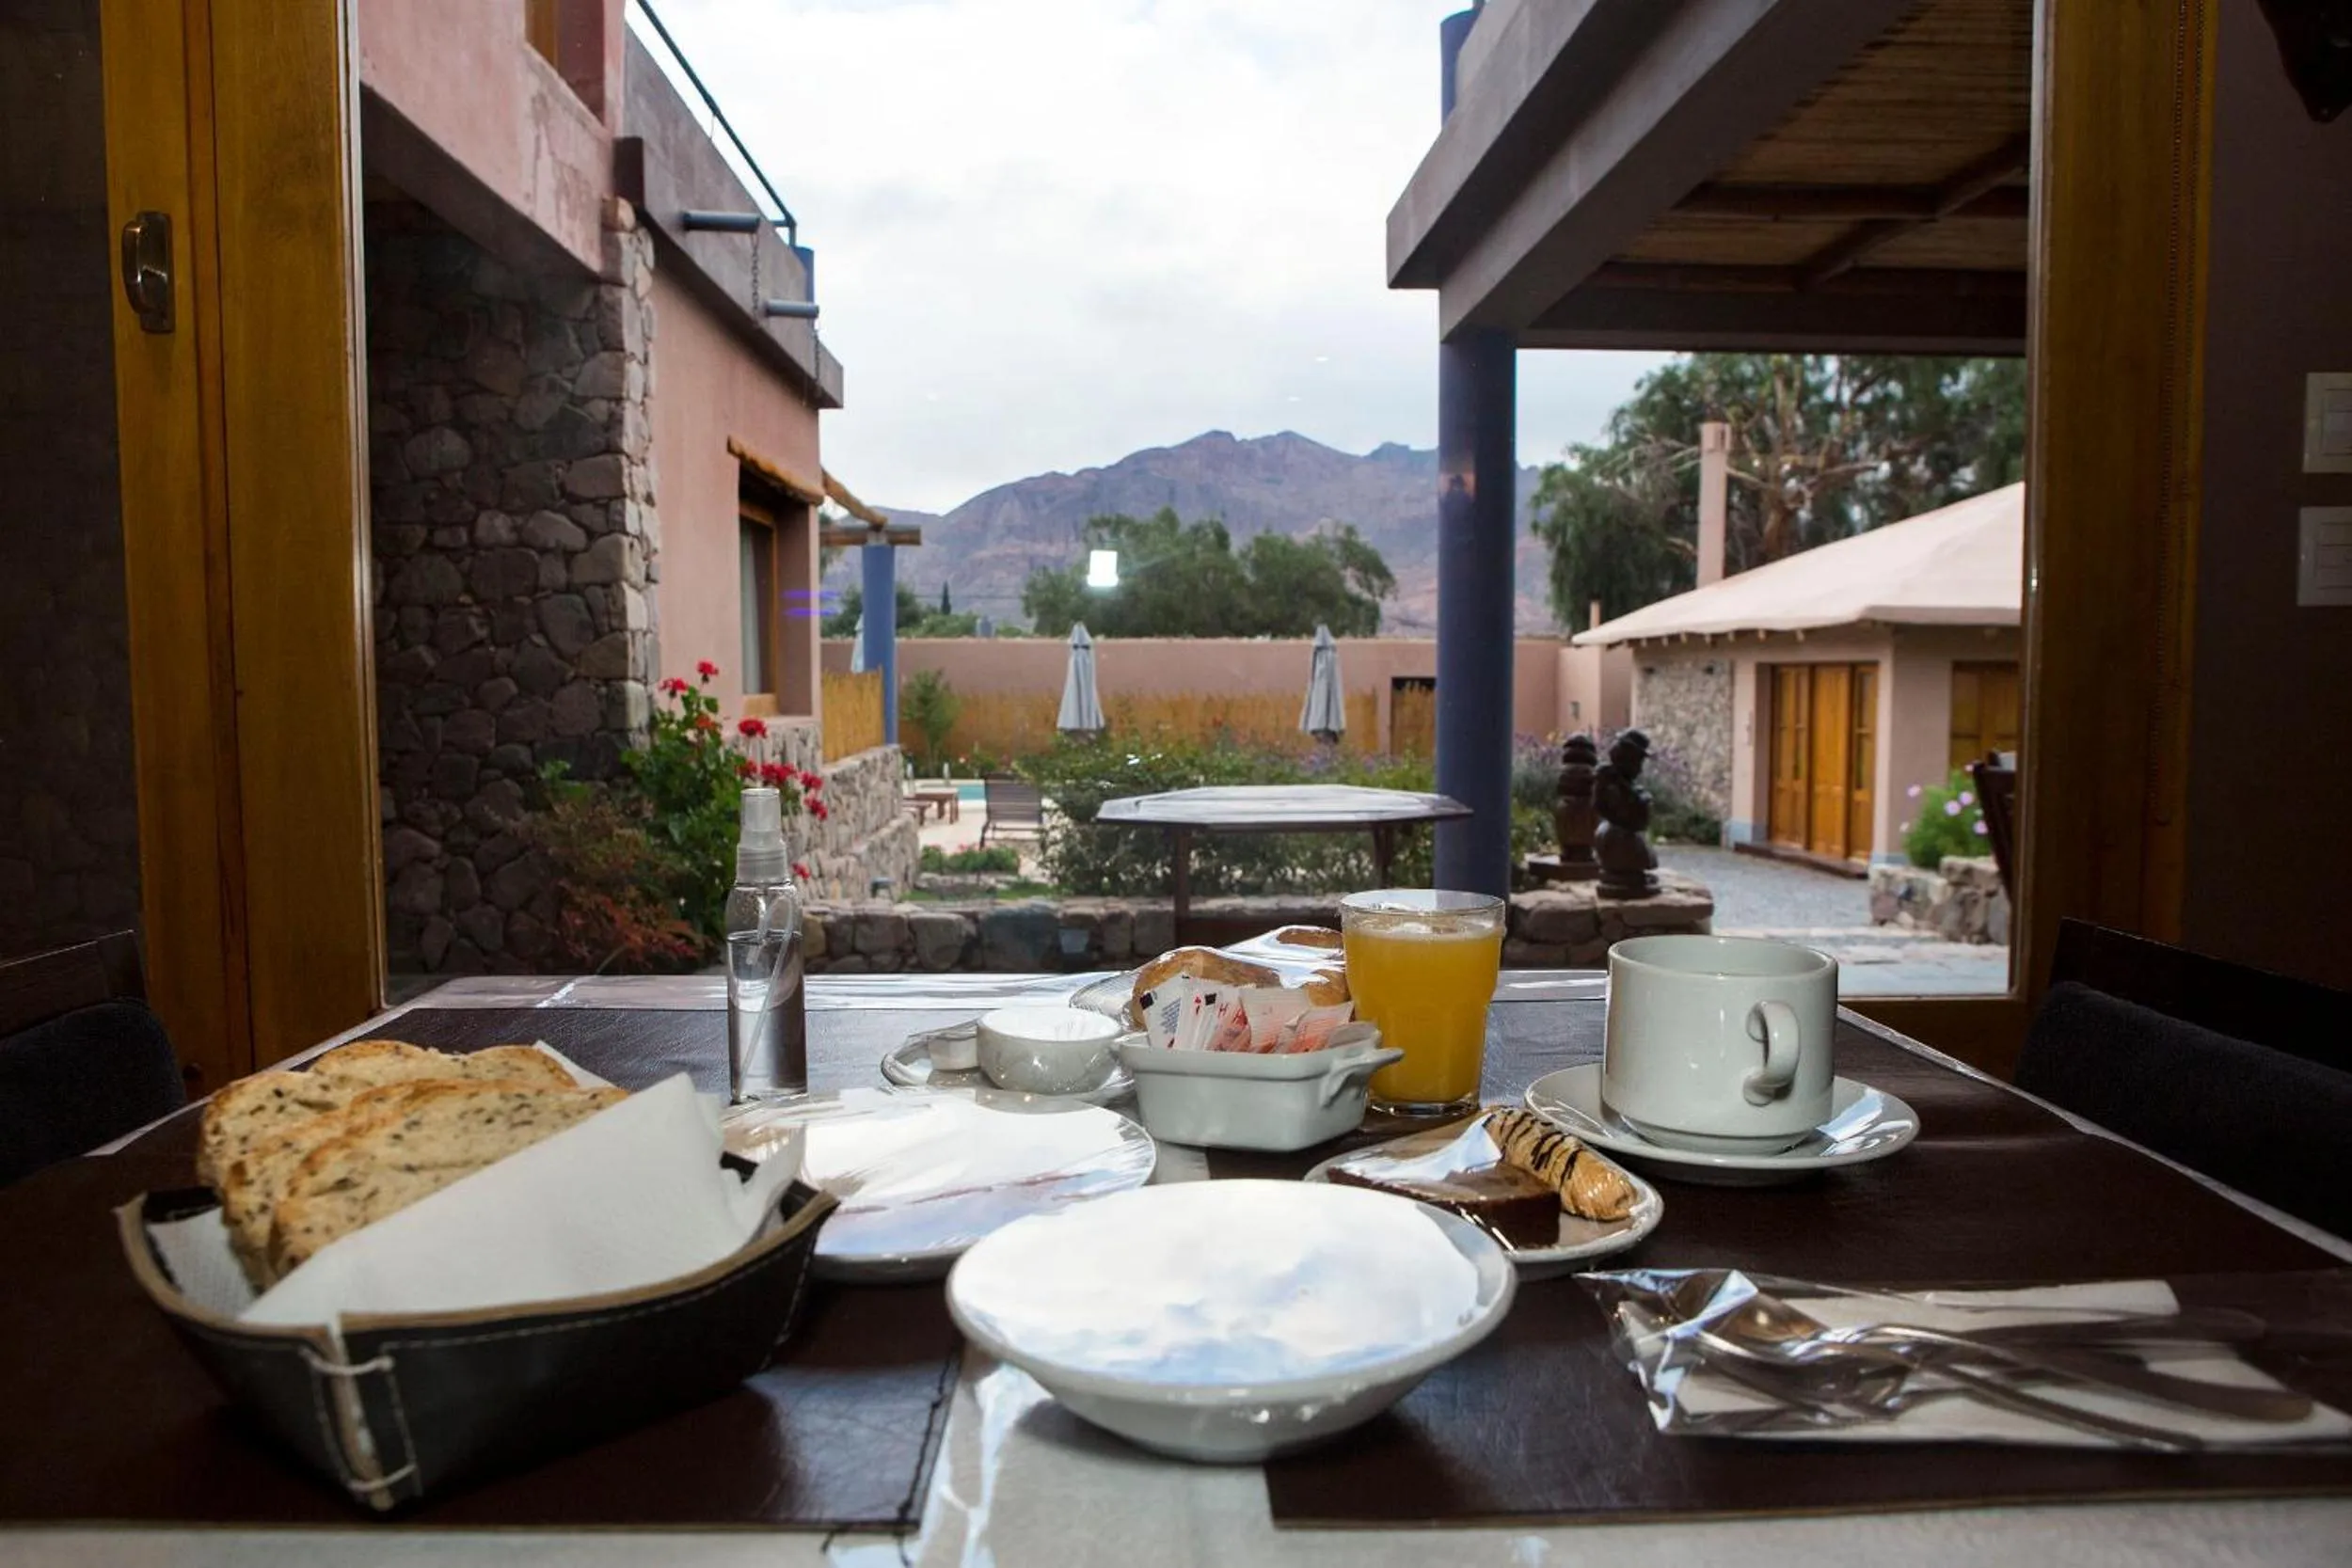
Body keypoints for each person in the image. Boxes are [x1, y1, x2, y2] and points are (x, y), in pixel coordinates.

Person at [1594, 729, 1660, 897]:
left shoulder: (1621, 785)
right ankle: (1628, 876)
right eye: (1638, 762)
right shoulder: (1612, 787)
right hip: (1620, 840)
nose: (1641, 769)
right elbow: (1638, 818)